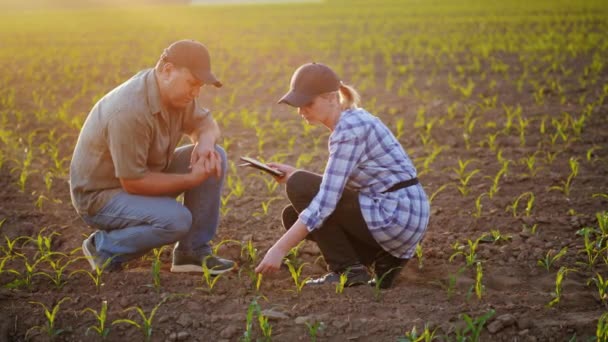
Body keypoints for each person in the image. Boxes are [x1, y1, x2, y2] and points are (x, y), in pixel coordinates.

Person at [255, 62, 430, 289]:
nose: (301, 111)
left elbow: (326, 201)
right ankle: (383, 259)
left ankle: (348, 271)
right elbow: (336, 185)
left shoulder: (348, 130)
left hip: (395, 215)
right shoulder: (354, 119)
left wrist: (277, 250)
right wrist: (294, 174)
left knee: (301, 188)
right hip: (402, 216)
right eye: (298, 105)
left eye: (307, 103)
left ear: (331, 98)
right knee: (293, 214)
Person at [69, 39, 235, 274]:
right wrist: (190, 180)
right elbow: (134, 182)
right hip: (102, 196)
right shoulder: (129, 111)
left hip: (143, 176)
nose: (196, 92)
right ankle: (104, 247)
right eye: (192, 83)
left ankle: (192, 252)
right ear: (167, 71)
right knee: (176, 220)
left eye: (200, 86)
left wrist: (205, 144)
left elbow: (205, 123)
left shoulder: (177, 95)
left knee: (215, 155)